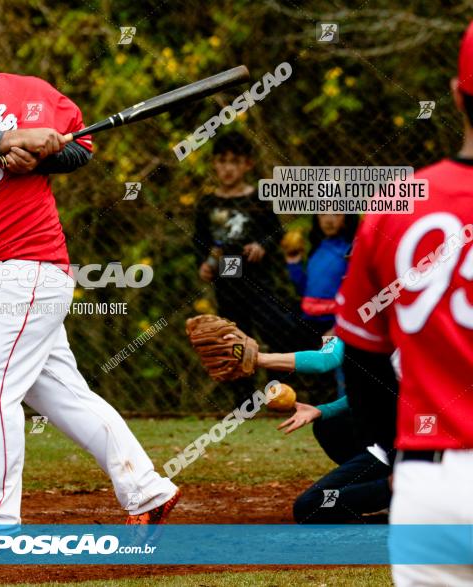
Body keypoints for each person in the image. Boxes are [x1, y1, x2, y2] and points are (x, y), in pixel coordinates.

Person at [0, 3, 180, 529]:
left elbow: (81, 149)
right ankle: (147, 488)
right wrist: (11, 140)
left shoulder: (34, 93)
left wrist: (41, 154)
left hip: (25, 265)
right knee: (64, 396)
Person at [334, 20, 473, 585]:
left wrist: (393, 453)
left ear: (458, 92)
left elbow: (361, 356)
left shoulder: (398, 203)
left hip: (431, 487)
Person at [193, 131, 306, 405]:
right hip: (227, 281)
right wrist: (203, 264)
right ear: (214, 165)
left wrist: (261, 245)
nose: (228, 167)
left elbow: (275, 232)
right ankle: (243, 401)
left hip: (256, 279)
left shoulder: (257, 199)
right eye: (222, 161)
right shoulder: (207, 203)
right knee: (233, 337)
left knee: (276, 329)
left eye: (235, 161)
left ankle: (278, 392)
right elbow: (199, 241)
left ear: (247, 165)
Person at [258, 336, 392, 524]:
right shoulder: (383, 331)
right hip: (395, 450)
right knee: (331, 424)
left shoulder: (412, 343)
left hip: (415, 457)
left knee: (310, 506)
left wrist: (257, 358)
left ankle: (401, 499)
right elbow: (327, 360)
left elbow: (324, 361)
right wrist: (322, 410)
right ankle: (388, 488)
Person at [284, 214, 358, 334]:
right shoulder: (317, 249)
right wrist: (293, 263)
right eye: (323, 214)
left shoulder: (351, 250)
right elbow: (304, 291)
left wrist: (338, 328)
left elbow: (358, 296)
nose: (328, 220)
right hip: (308, 319)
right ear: (317, 218)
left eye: (336, 214)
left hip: (334, 322)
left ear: (347, 217)